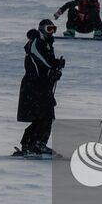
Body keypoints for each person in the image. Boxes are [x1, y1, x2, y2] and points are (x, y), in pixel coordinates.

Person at [15, 19, 64, 156]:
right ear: (42, 29)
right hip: (34, 85)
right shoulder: (36, 42)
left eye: (54, 29)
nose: (52, 32)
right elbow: (42, 60)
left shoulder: (47, 43)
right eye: (49, 29)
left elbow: (46, 66)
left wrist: (54, 73)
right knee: (44, 115)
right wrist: (54, 65)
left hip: (42, 84)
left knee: (44, 115)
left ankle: (31, 143)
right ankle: (36, 144)